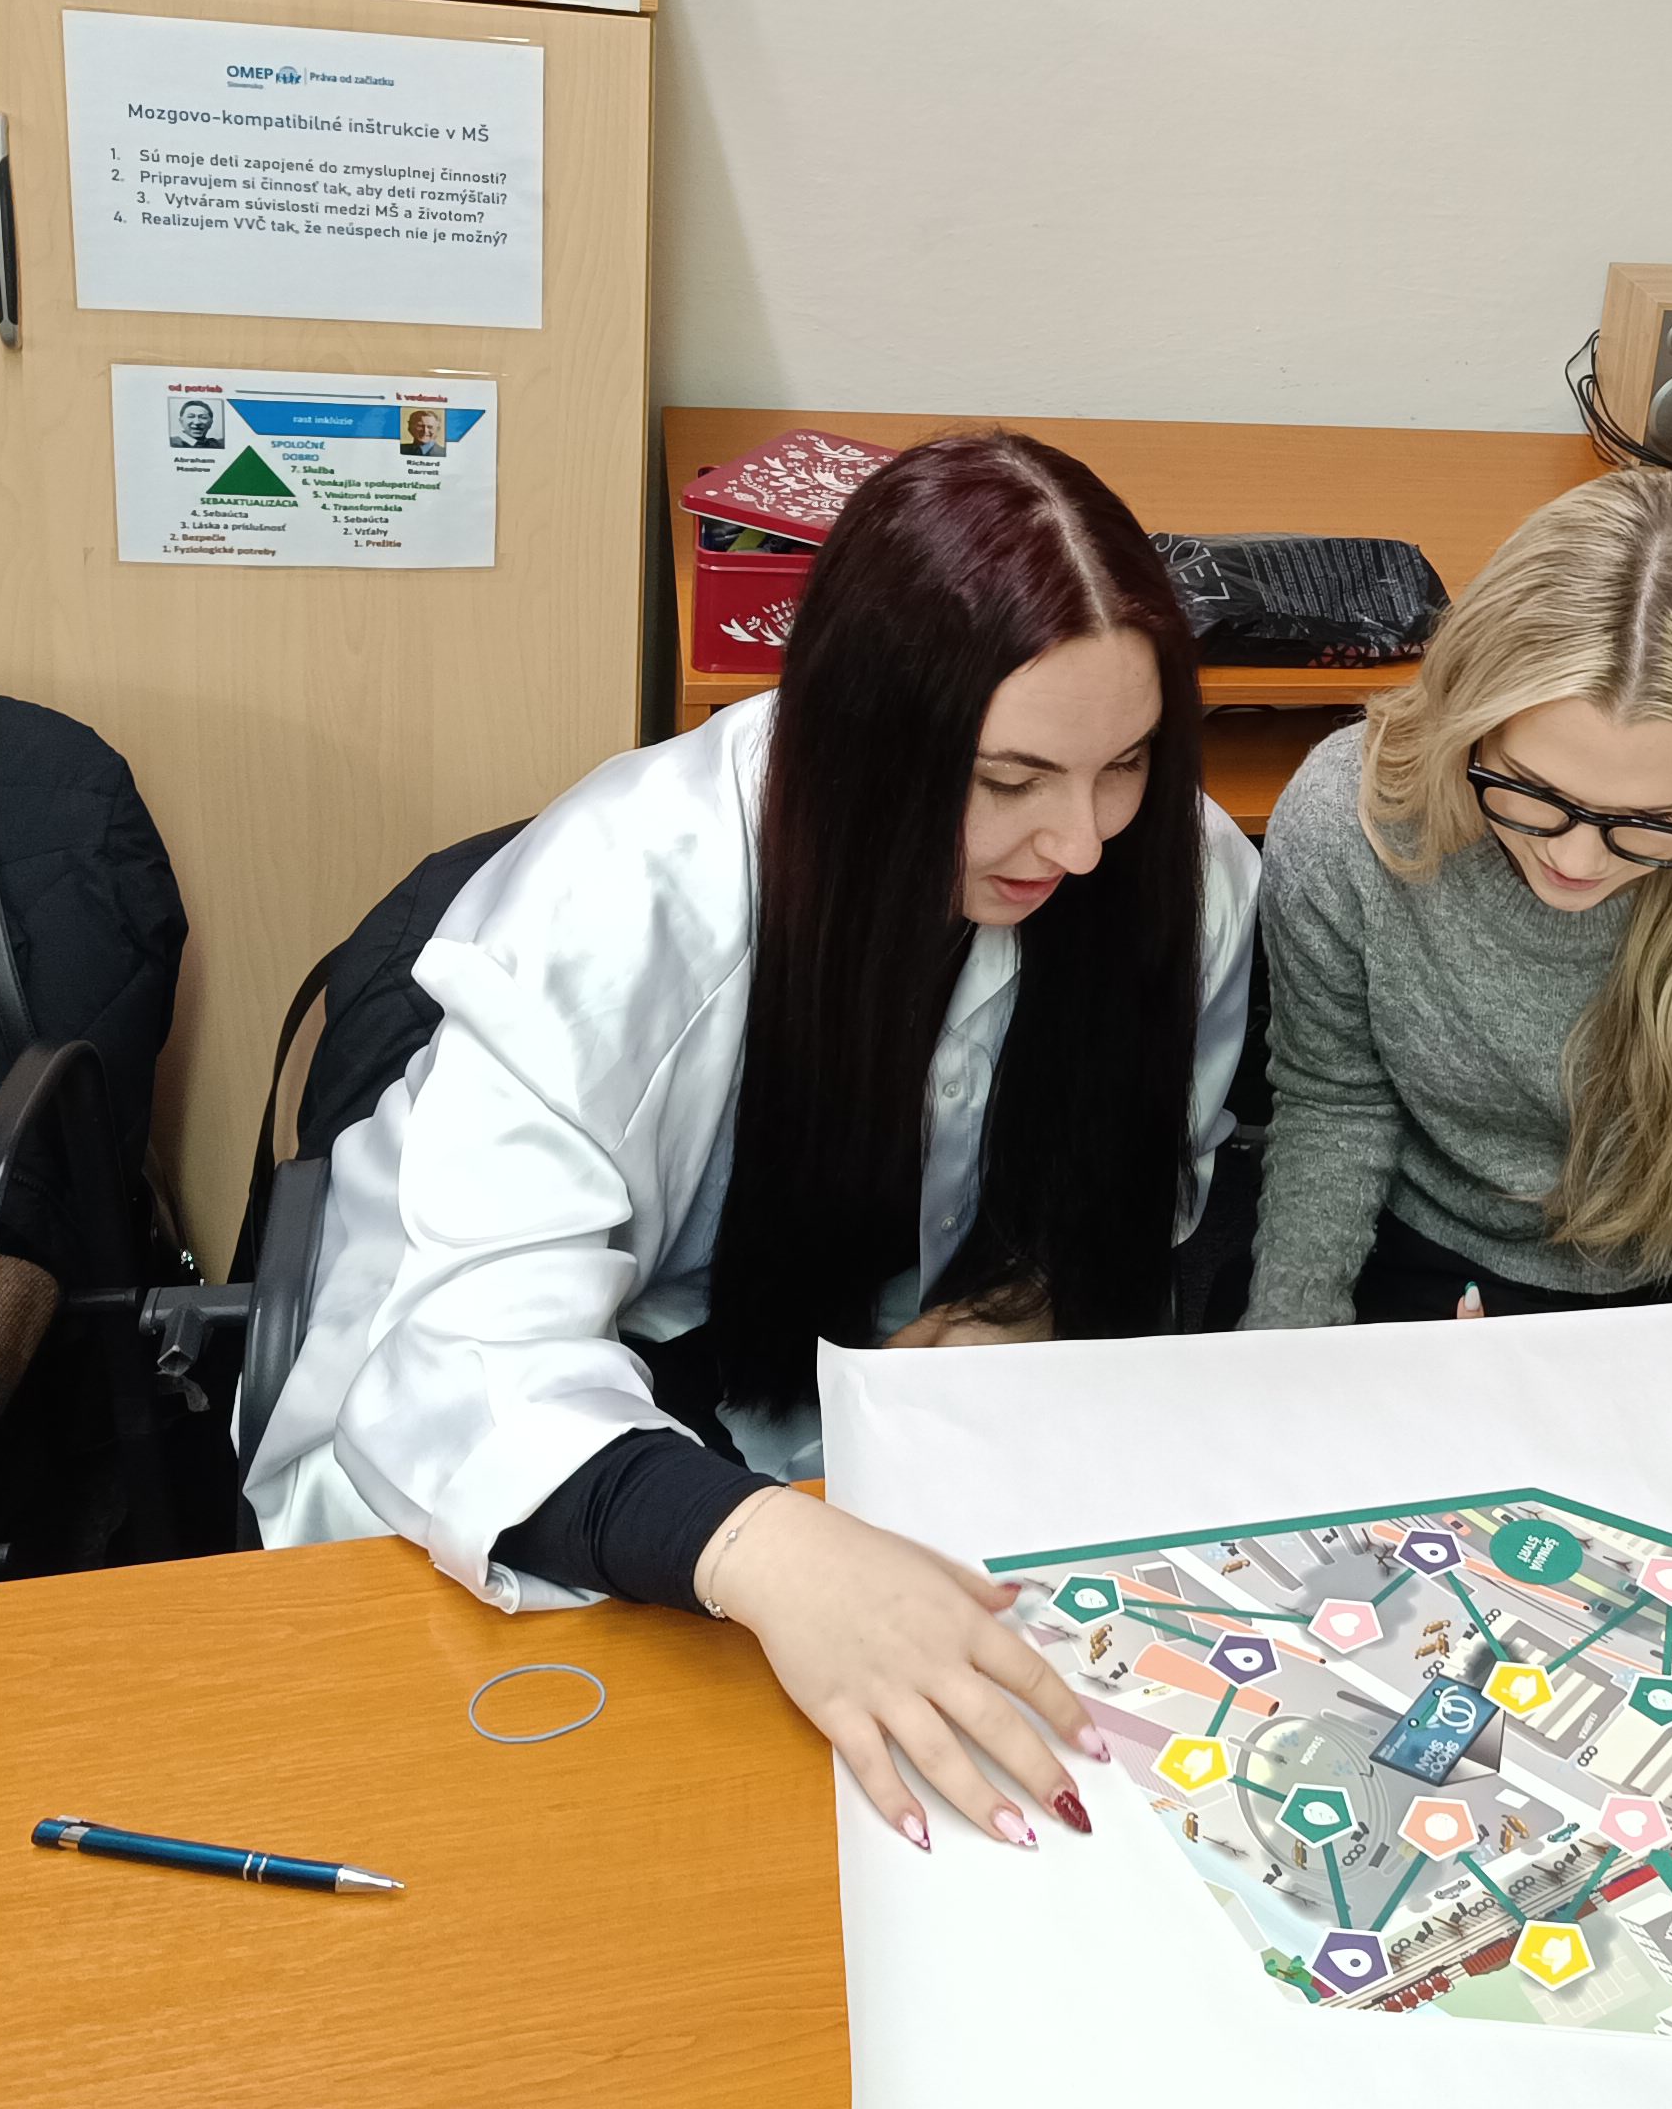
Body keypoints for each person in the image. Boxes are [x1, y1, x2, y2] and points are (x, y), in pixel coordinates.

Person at [246, 431, 1256, 1853]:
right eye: (1009, 778)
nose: (1082, 842)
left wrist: (1026, 1294)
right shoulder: (627, 892)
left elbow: (1159, 1176)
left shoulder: (1179, 870)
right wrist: (764, 1548)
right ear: (864, 736)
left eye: (1126, 764)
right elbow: (464, 1356)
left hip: (893, 1428)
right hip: (595, 1432)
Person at [1241, 468, 1672, 1327]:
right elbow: (1334, 1105)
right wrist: (1293, 1348)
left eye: (1654, 821)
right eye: (1532, 791)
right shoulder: (1346, 816)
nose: (1577, 860)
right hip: (1420, 1252)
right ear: (1471, 715)